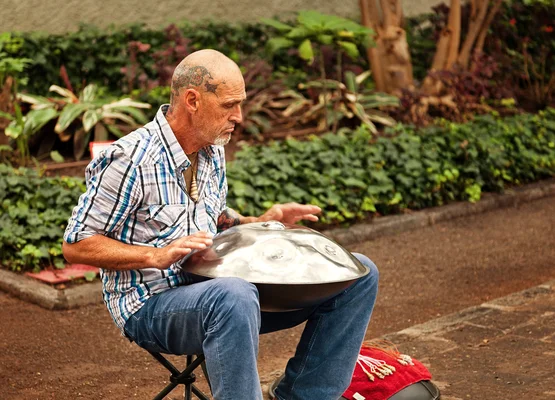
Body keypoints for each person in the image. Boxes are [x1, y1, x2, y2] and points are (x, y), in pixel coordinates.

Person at [63, 49, 379, 400]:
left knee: (358, 273)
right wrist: (155, 256)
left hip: (217, 291)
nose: (239, 116)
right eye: (229, 105)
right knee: (234, 295)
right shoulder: (129, 159)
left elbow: (212, 217)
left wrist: (260, 223)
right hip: (151, 305)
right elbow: (76, 244)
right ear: (193, 100)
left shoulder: (211, 148)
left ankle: (305, 395)